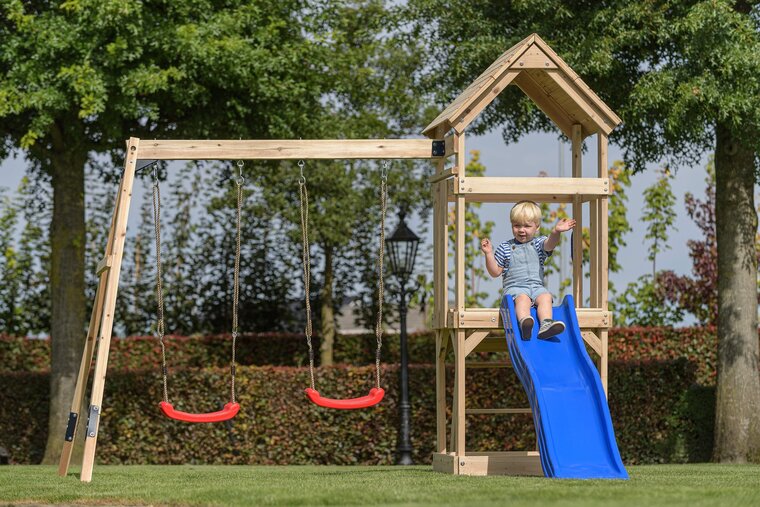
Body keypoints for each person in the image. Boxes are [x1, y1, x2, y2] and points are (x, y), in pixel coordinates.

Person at [480, 200, 576, 340]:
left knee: (546, 297)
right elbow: (495, 272)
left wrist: (556, 232)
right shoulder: (505, 247)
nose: (521, 230)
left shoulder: (538, 244)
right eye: (517, 225)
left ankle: (546, 324)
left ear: (536, 227)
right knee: (523, 299)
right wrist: (489, 254)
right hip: (515, 289)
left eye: (527, 226)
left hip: (536, 287)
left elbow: (549, 245)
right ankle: (525, 322)